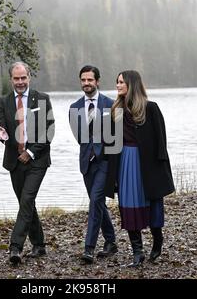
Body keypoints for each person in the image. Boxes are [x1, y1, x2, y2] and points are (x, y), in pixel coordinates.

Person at [109, 70, 175, 267]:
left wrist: (161, 170)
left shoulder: (151, 108)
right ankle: (137, 252)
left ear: (132, 84)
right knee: (128, 206)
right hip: (125, 163)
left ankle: (157, 241)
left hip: (148, 165)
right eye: (117, 82)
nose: (118, 85)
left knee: (153, 204)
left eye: (121, 82)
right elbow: (112, 144)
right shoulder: (116, 110)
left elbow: (161, 142)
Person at [0, 61, 55, 264]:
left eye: (23, 78)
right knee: (25, 203)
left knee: (27, 200)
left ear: (29, 77)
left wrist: (30, 152)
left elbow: (49, 132)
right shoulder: (4, 101)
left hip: (37, 159)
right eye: (16, 78)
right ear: (11, 79)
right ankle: (39, 245)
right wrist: (1, 134)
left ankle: (15, 247)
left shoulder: (42, 99)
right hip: (14, 161)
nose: (20, 82)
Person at [69, 65, 117, 264]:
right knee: (98, 202)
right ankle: (111, 241)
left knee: (95, 200)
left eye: (90, 80)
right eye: (83, 80)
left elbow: (118, 137)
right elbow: (79, 137)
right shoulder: (74, 107)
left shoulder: (112, 104)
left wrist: (115, 165)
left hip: (105, 162)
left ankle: (89, 248)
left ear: (97, 81)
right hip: (86, 164)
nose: (86, 83)